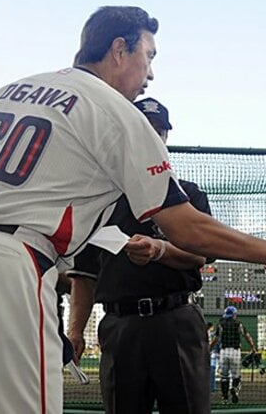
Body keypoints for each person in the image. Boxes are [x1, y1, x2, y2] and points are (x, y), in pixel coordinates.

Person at [0, 6, 266, 414]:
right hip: (8, 266)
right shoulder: (117, 111)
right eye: (148, 56)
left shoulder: (12, 90)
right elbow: (184, 227)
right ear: (119, 50)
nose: (150, 74)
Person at [66, 97, 213, 414]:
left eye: (159, 131)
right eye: (144, 128)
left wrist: (158, 250)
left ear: (165, 139)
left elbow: (198, 255)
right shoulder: (101, 200)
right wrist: (75, 331)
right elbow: (84, 276)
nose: (152, 136)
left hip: (176, 317)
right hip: (122, 324)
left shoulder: (186, 194)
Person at [211, 306, 256, 404]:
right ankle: (234, 389)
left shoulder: (220, 324)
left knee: (224, 376)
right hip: (235, 352)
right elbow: (247, 336)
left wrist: (208, 349)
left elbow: (215, 339)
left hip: (223, 352)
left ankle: (225, 398)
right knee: (236, 376)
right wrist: (253, 347)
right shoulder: (238, 323)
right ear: (234, 314)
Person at [208, 322, 221, 393]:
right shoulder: (214, 335)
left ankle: (212, 387)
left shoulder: (212, 334)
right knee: (213, 370)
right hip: (214, 354)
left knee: (212, 370)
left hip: (213, 354)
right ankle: (212, 388)